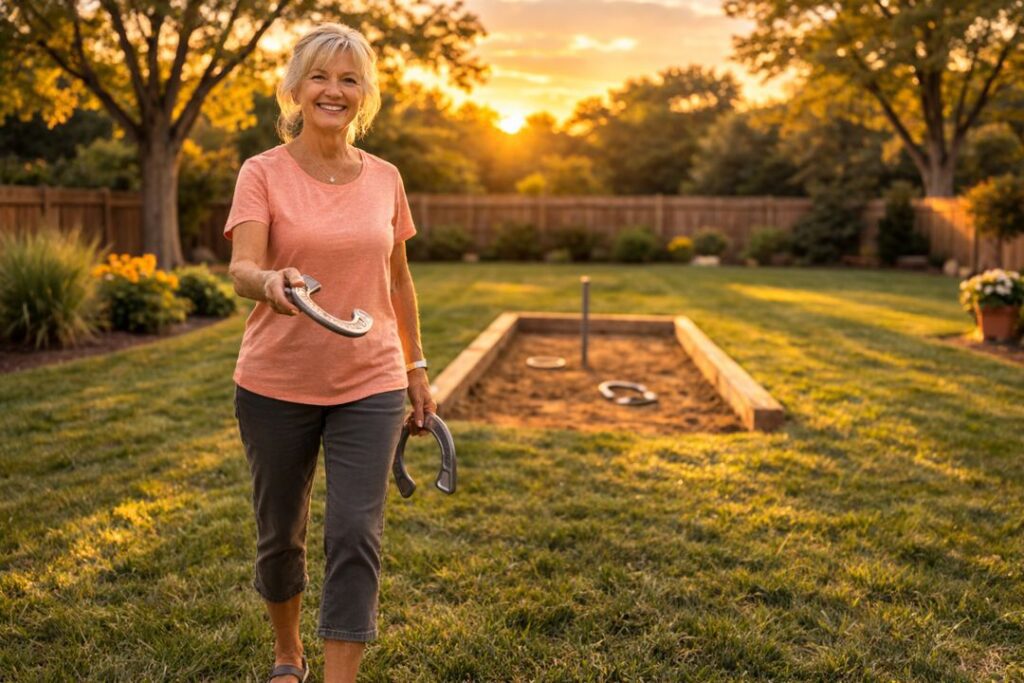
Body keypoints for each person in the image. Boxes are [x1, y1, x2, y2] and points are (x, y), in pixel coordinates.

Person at [224, 22, 435, 683]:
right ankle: (288, 654)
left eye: (348, 79)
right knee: (279, 535)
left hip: (368, 380)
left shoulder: (386, 178)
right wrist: (271, 281)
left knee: (354, 532)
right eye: (319, 76)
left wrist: (415, 365)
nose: (333, 90)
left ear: (364, 95)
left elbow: (397, 277)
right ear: (294, 88)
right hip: (274, 380)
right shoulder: (262, 172)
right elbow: (241, 267)